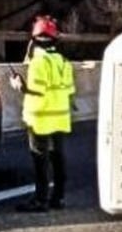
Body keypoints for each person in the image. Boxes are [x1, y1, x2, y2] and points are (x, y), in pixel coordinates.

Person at [11, 15, 76, 212]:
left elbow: (37, 90)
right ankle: (58, 198)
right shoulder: (64, 62)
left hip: (40, 117)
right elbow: (70, 91)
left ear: (34, 39)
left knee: (40, 159)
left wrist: (19, 86)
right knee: (58, 157)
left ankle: (40, 200)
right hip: (60, 116)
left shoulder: (39, 62)